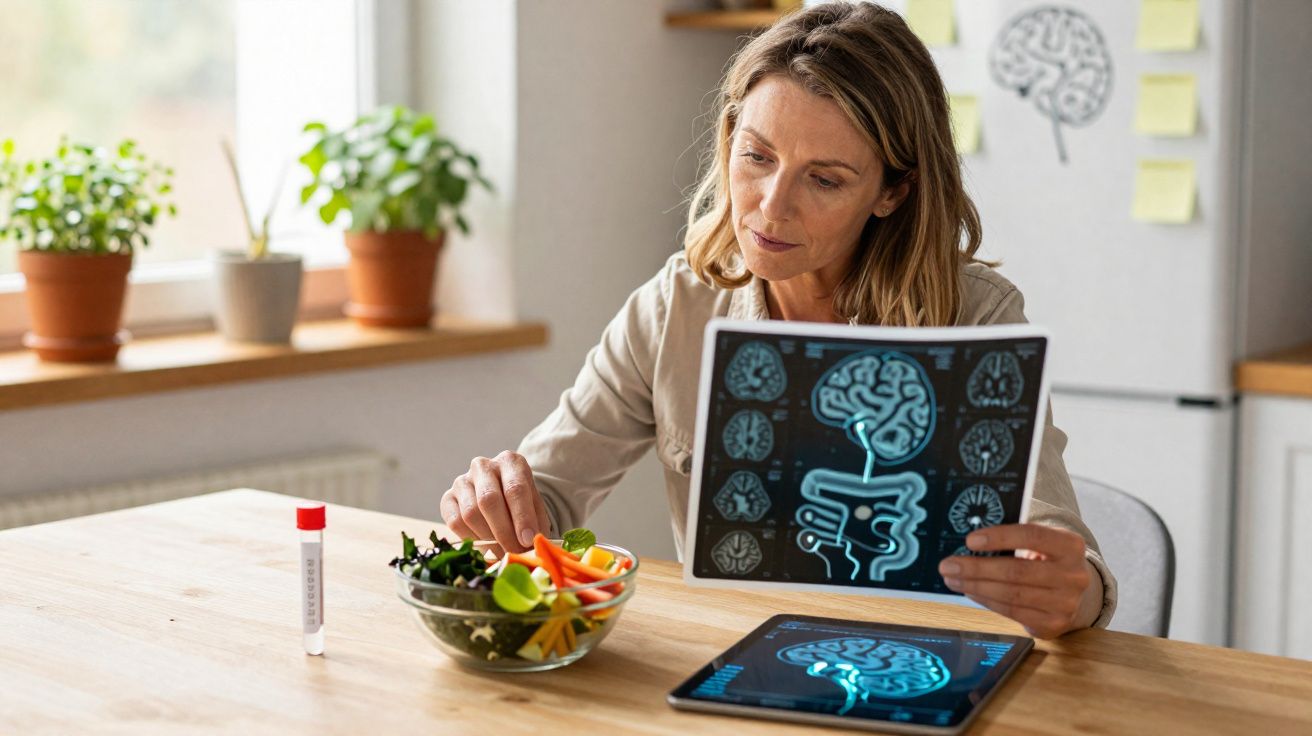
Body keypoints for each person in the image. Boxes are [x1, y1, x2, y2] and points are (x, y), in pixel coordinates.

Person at [439, 1, 1116, 639]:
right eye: (757, 157)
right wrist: (493, 504)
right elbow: (544, 500)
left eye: (824, 180)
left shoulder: (975, 315)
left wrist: (1072, 593)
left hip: (923, 672)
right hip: (735, 665)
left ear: (892, 191)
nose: (769, 207)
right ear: (729, 136)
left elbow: (1067, 564)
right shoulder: (675, 307)